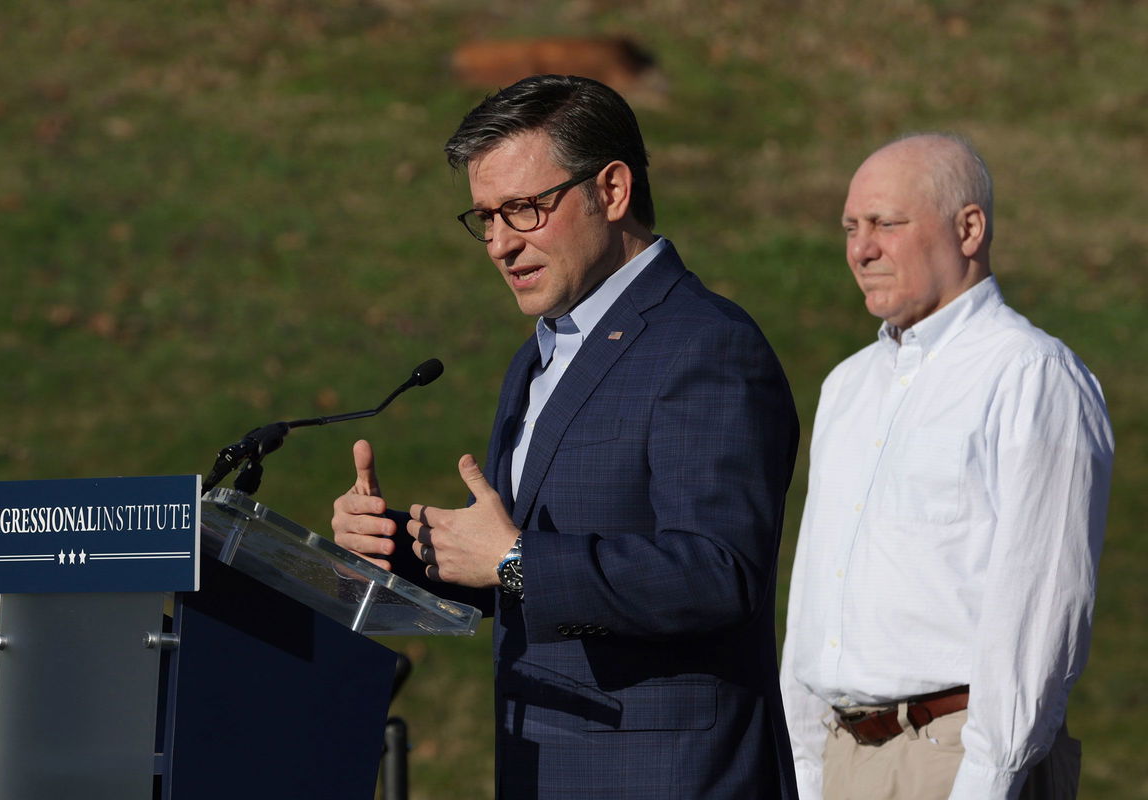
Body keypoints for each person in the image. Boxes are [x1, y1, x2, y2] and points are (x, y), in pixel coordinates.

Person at [332, 74, 800, 799]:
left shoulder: (707, 345)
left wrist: (515, 560)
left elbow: (716, 572)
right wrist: (400, 547)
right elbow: (518, 567)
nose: (498, 245)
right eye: (484, 218)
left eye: (522, 210)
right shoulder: (541, 352)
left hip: (668, 778)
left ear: (611, 191)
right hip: (544, 767)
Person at [779, 133, 1114, 800]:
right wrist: (810, 768)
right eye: (851, 227)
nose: (860, 248)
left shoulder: (1030, 375)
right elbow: (818, 587)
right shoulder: (847, 386)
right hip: (845, 762)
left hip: (958, 763)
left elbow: (1041, 605)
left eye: (885, 224)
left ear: (969, 228)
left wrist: (986, 782)